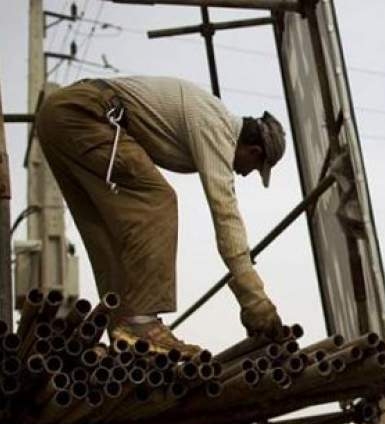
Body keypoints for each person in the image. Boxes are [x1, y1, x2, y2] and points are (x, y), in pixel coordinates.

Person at [36, 76, 288, 356]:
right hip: (86, 114)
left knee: (110, 230)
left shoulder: (210, 119)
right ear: (254, 151)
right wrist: (254, 298)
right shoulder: (219, 129)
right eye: (255, 167)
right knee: (158, 201)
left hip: (58, 117)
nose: (246, 173)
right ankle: (141, 323)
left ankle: (124, 329)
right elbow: (225, 213)